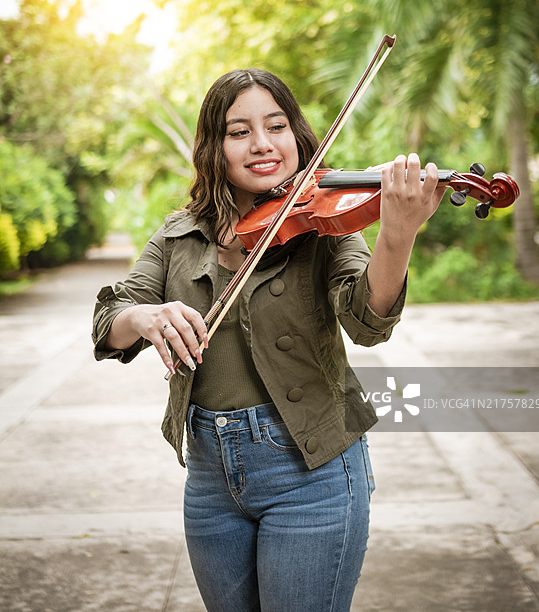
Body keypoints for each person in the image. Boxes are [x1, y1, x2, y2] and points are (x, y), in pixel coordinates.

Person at [92, 68, 446, 612]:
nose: (262, 145)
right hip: (211, 476)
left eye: (276, 125)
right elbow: (109, 319)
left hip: (312, 468)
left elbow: (367, 322)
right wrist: (145, 317)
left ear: (296, 135)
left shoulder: (325, 222)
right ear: (216, 147)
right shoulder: (179, 235)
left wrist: (398, 234)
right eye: (239, 131)